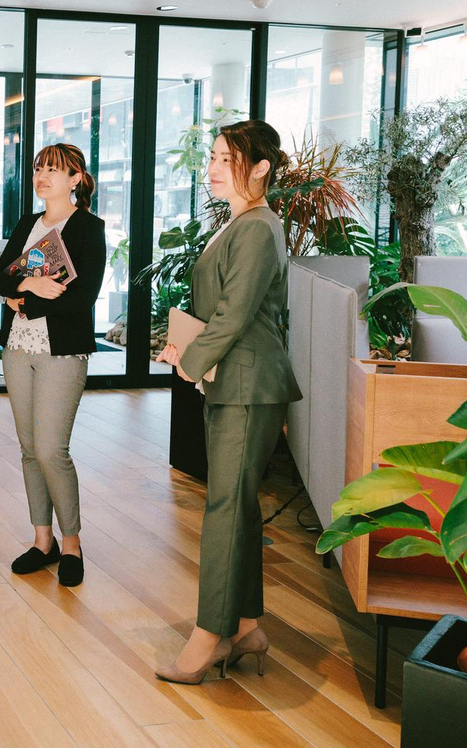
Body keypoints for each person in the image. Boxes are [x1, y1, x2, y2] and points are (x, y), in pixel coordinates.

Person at [153, 119, 301, 685]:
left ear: (260, 167)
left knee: (224, 510)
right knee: (237, 507)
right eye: (212, 157)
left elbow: (236, 314)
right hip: (236, 379)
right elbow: (225, 311)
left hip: (249, 384)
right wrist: (188, 346)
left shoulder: (258, 228)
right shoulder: (241, 222)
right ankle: (244, 627)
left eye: (225, 158)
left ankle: (208, 636)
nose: (211, 168)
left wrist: (191, 359)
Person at [0, 143, 106, 588]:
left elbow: (84, 296)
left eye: (53, 169)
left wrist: (23, 300)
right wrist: (29, 284)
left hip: (62, 351)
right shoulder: (27, 224)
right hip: (18, 348)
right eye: (39, 168)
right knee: (27, 449)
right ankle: (43, 541)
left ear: (76, 179)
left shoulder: (89, 228)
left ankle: (71, 543)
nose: (41, 175)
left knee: (51, 451)